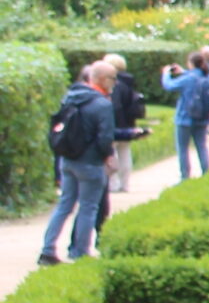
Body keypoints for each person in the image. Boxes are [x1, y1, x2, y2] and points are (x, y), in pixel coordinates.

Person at [36, 62, 117, 266]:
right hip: (90, 163)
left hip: (68, 159)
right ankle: (80, 252)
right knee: (88, 207)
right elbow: (105, 137)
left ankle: (48, 249)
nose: (115, 83)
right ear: (102, 79)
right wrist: (107, 157)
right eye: (113, 78)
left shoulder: (71, 97)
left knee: (64, 205)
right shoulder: (102, 104)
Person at [160, 49, 209, 178]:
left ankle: (185, 175)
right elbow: (196, 77)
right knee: (201, 146)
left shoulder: (188, 79)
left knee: (183, 148)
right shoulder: (207, 77)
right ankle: (206, 173)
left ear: (190, 63)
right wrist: (184, 72)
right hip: (203, 118)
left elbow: (169, 85)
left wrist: (166, 74)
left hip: (185, 117)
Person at [106, 53, 147, 193]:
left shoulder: (115, 84)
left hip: (117, 124)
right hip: (128, 123)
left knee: (113, 153)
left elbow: (115, 106)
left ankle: (114, 183)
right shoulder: (128, 82)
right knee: (124, 152)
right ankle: (125, 183)